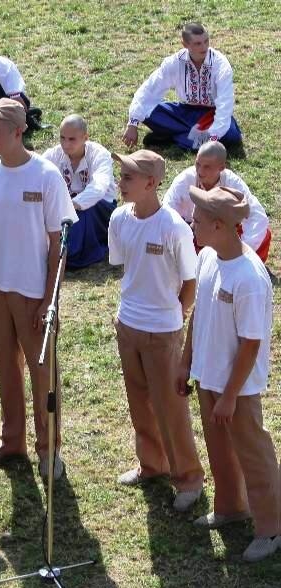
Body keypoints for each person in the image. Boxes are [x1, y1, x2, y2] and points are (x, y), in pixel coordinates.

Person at [0, 98, 77, 479]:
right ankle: (11, 440)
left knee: (41, 371)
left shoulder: (45, 175)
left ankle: (49, 450)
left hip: (32, 293)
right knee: (5, 368)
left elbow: (57, 245)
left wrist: (49, 299)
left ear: (18, 132)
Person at [178, 185, 280, 562]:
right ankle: (230, 507)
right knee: (219, 449)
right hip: (209, 378)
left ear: (219, 225)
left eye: (199, 218)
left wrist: (231, 395)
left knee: (253, 455)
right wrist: (186, 361)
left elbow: (251, 344)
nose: (192, 221)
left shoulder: (250, 278)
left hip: (236, 388)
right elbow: (200, 314)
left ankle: (270, 528)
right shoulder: (207, 257)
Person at [107, 149, 204, 512]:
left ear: (151, 183)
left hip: (163, 332)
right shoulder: (119, 218)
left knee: (171, 409)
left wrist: (173, 319)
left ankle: (189, 478)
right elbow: (122, 265)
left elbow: (190, 282)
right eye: (122, 176)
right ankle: (152, 465)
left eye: (129, 177)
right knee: (139, 403)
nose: (122, 183)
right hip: (128, 324)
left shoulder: (174, 227)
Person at [122, 22, 241, 151]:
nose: (204, 47)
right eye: (198, 43)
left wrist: (213, 137)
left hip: (212, 114)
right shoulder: (174, 62)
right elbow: (149, 90)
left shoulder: (220, 64)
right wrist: (132, 124)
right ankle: (189, 138)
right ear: (185, 44)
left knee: (231, 136)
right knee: (148, 111)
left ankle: (171, 136)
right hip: (185, 112)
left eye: (206, 41)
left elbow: (225, 103)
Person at [163, 141, 271, 261]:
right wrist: (184, 235)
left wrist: (241, 254)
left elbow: (257, 216)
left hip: (221, 230)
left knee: (264, 234)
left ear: (222, 167)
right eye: (198, 164)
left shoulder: (233, 182)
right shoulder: (185, 179)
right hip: (193, 231)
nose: (200, 171)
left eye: (207, 167)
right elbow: (167, 210)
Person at [42, 114, 117, 268]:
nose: (66, 144)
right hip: (66, 208)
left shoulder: (99, 154)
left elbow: (99, 187)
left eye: (72, 139)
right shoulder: (54, 155)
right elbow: (37, 175)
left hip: (98, 208)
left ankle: (72, 254)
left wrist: (71, 205)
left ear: (85, 137)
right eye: (62, 138)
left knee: (83, 217)